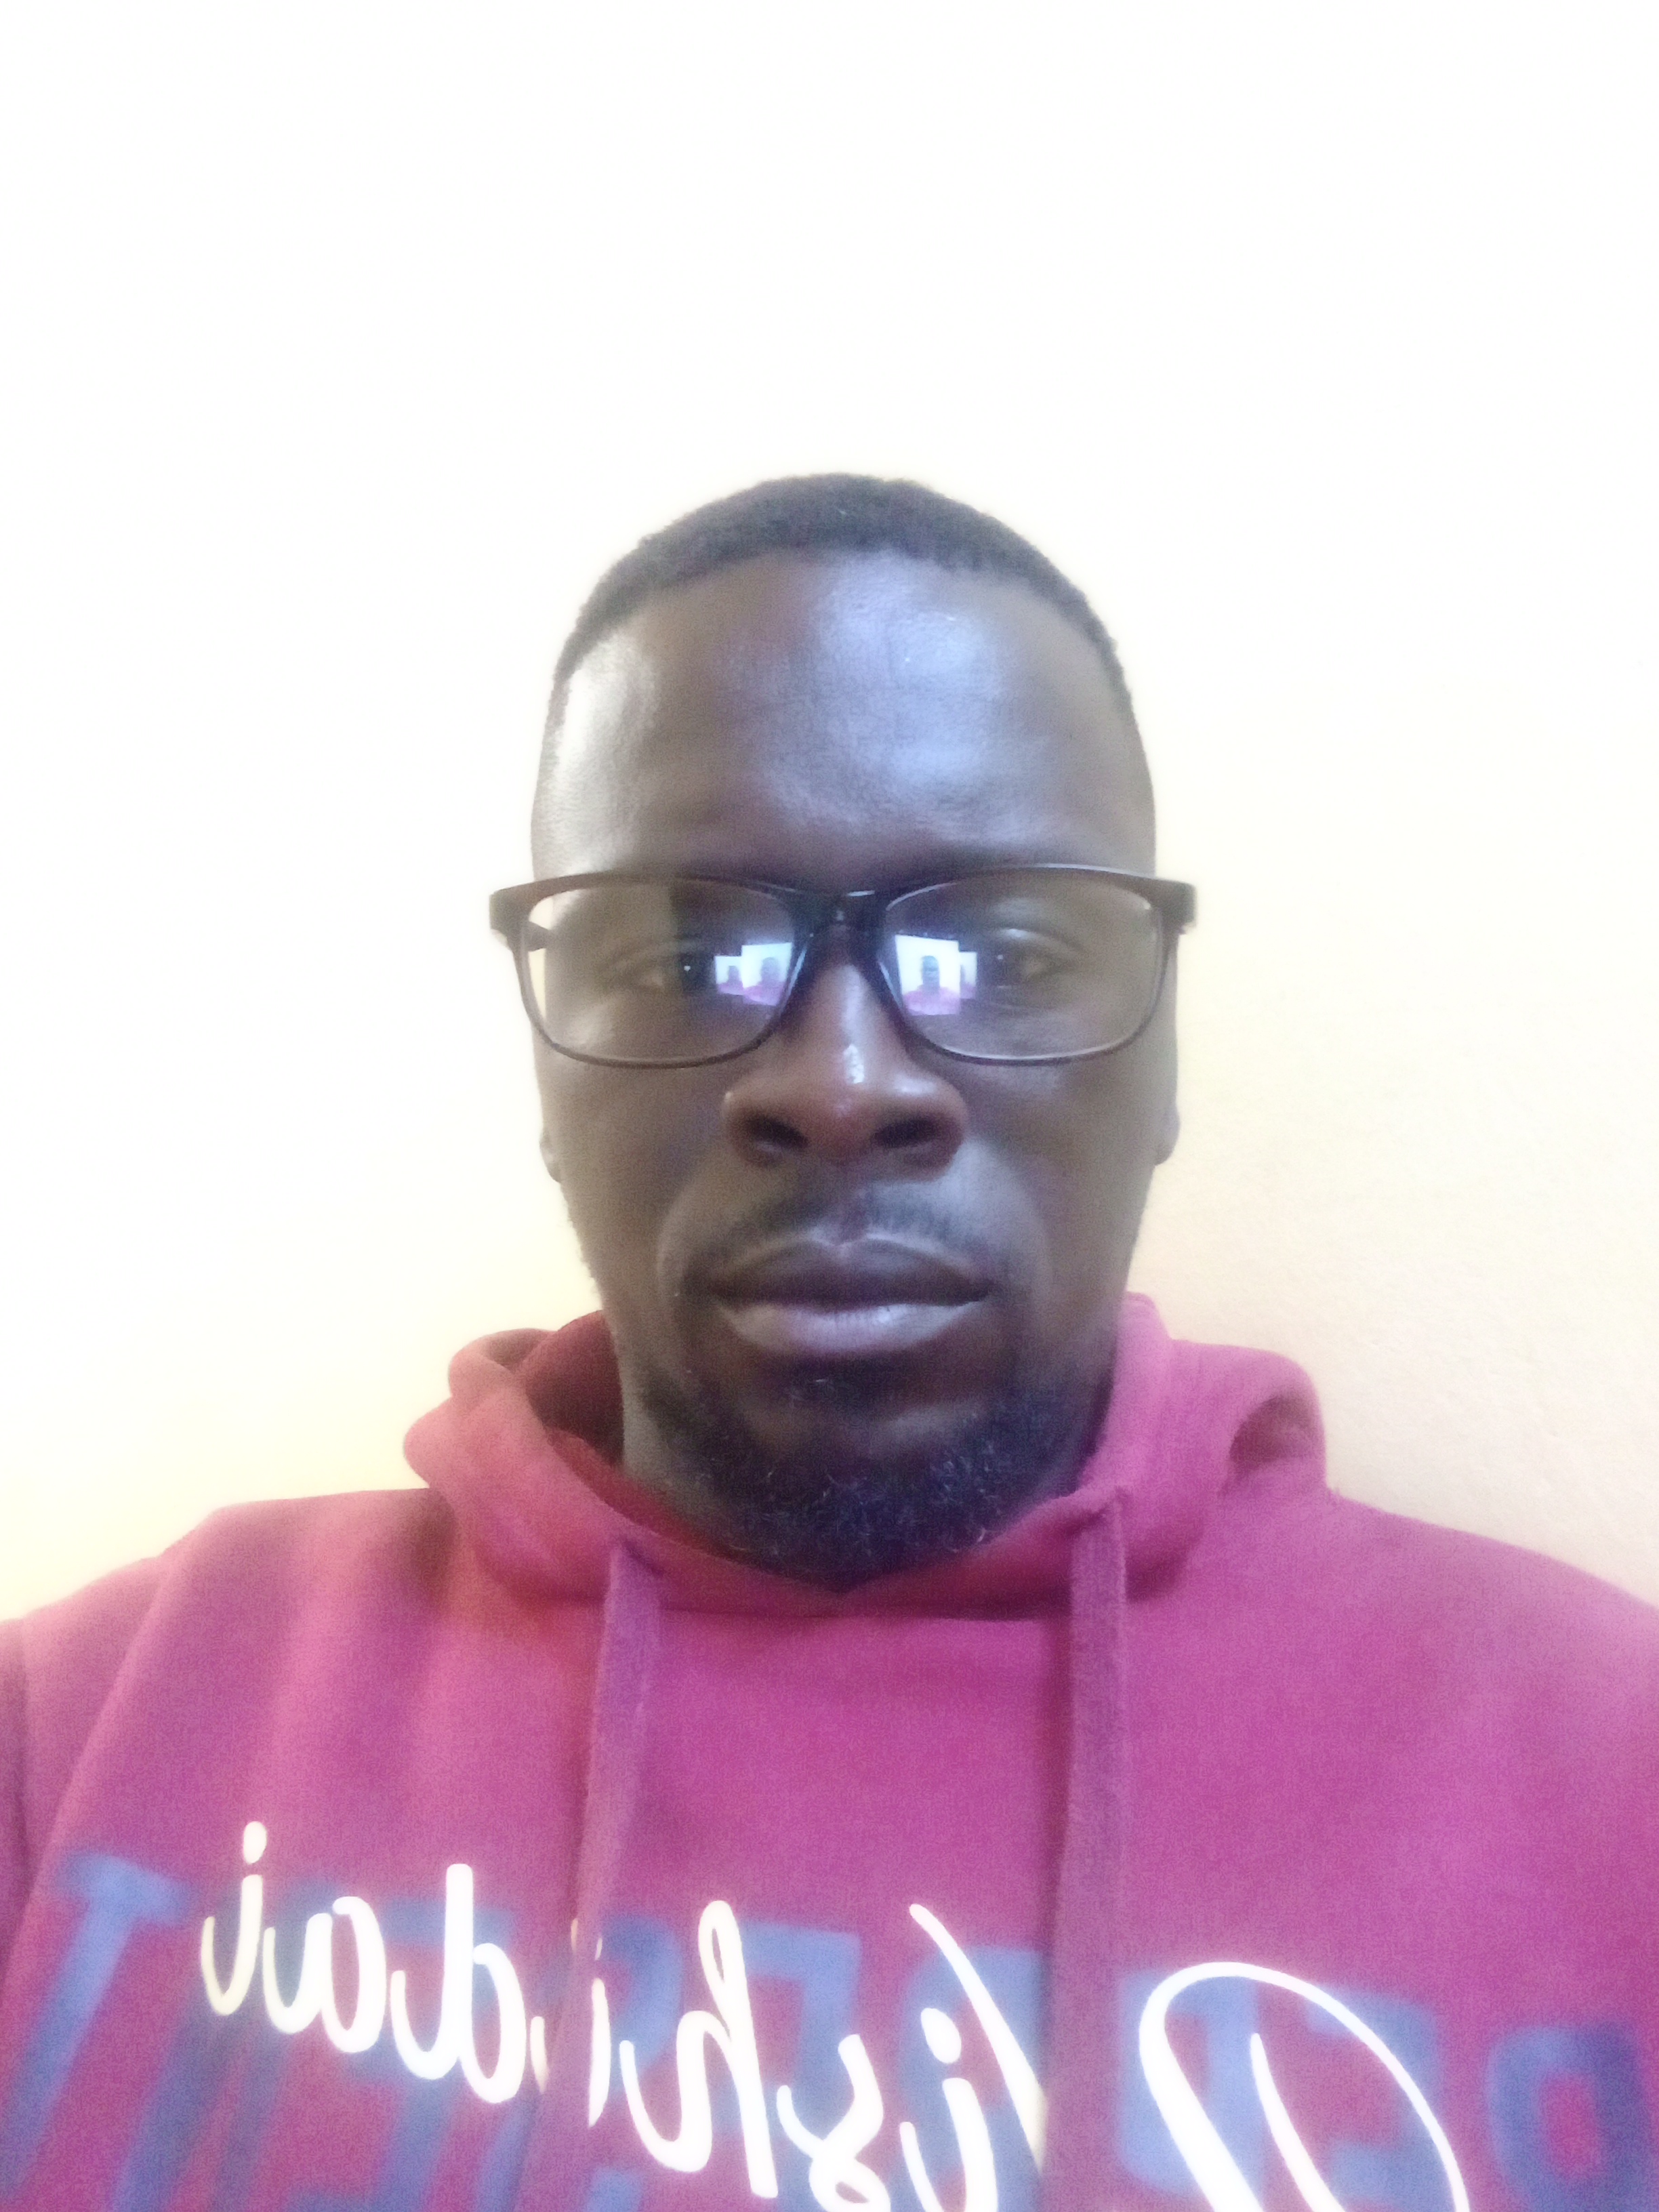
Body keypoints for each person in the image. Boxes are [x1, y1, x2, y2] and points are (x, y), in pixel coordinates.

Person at [1, 475, 1655, 2212]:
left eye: (997, 949)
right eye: (691, 952)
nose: (843, 1084)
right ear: (549, 1071)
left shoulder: (1608, 1777)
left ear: (1163, 1061)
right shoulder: (80, 1746)